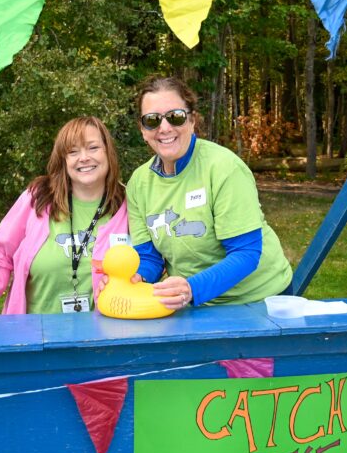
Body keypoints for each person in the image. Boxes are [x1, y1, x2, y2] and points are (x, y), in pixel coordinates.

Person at [125, 76, 293, 310]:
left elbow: (246, 253)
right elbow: (149, 258)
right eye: (152, 120)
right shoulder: (138, 183)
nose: (164, 128)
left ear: (192, 120)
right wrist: (136, 279)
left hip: (258, 299)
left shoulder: (224, 167)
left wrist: (192, 289)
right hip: (193, 302)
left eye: (175, 116)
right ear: (143, 130)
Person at [0, 117, 128, 316]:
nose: (84, 157)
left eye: (93, 147)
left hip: (103, 332)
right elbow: (0, 258)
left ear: (108, 152)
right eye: (73, 151)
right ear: (63, 160)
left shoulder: (128, 205)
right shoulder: (38, 198)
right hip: (34, 331)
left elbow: (145, 263)